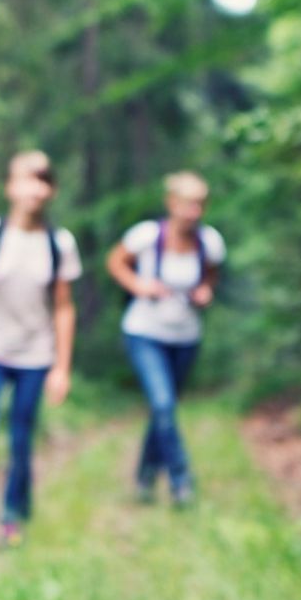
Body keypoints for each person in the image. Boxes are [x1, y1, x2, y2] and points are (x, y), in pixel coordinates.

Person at [0, 150, 81, 557]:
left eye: (43, 179)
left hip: (35, 354)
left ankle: (13, 514)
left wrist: (61, 367)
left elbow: (63, 306)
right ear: (10, 187)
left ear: (52, 190)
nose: (35, 188)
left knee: (21, 439)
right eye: (26, 178)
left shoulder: (59, 243)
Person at [105, 170, 225, 508]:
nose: (194, 212)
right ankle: (181, 481)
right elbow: (115, 262)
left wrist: (205, 291)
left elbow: (212, 276)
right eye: (188, 204)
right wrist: (139, 286)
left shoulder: (209, 242)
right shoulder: (146, 236)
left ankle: (144, 476)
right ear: (172, 203)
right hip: (145, 333)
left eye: (200, 205)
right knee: (163, 404)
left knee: (164, 410)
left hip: (186, 337)